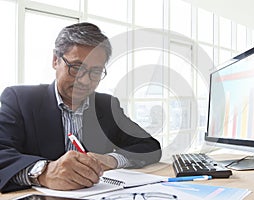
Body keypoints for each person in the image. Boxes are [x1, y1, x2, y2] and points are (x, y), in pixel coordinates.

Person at [0, 22, 162, 193]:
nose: (85, 81)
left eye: (96, 72)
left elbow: (149, 146)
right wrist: (44, 172)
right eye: (76, 68)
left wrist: (111, 160)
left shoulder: (107, 106)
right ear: (55, 60)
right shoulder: (20, 100)